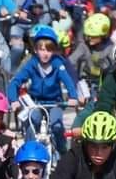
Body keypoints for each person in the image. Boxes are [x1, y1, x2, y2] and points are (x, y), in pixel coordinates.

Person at [8, 25, 79, 155]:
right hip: (35, 102)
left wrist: (73, 97)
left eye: (49, 50)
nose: (45, 53)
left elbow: (68, 81)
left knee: (56, 125)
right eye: (42, 49)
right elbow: (15, 82)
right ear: (35, 50)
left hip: (55, 102)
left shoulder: (57, 64)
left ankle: (62, 153)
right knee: (32, 121)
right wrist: (13, 100)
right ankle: (29, 151)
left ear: (54, 51)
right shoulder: (32, 64)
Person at [70, 13, 114, 95]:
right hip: (86, 82)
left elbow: (114, 68)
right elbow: (70, 62)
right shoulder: (84, 46)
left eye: (93, 36)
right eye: (88, 36)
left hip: (104, 83)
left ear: (103, 35)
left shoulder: (110, 48)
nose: (89, 39)